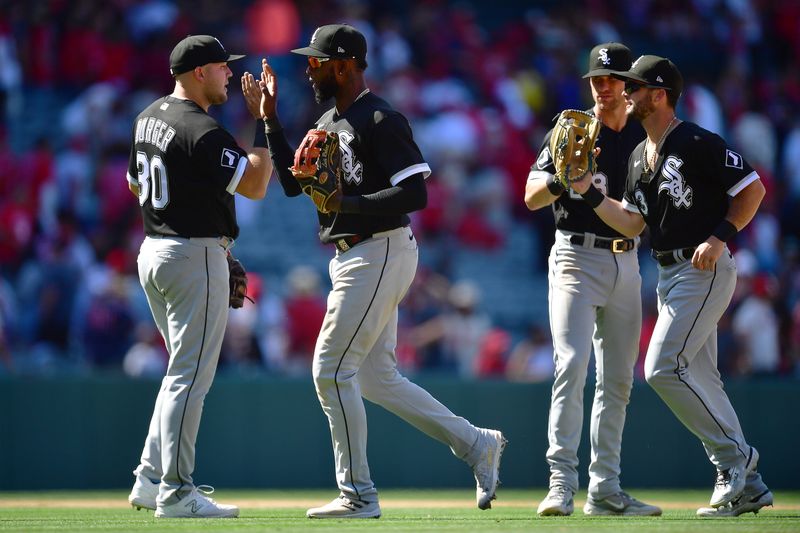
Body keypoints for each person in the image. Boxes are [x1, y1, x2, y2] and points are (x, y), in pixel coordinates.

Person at [261, 24, 506, 519]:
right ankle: (476, 443)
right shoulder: (329, 119)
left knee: (330, 370)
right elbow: (293, 186)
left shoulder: (380, 118)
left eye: (318, 60)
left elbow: (415, 193)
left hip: (380, 249)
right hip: (356, 254)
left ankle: (357, 494)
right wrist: (269, 121)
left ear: (345, 64)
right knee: (375, 379)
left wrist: (347, 204)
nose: (309, 67)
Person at [570, 55, 771, 517]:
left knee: (661, 368)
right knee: (701, 377)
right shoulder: (641, 154)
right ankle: (748, 486)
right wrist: (586, 188)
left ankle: (737, 460)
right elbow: (631, 223)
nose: (626, 94)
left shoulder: (696, 140)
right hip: (669, 273)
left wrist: (720, 238)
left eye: (635, 89)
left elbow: (752, 188)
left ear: (659, 94)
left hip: (703, 269)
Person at [125, 34, 274, 518]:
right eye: (222, 66)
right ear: (199, 73)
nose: (230, 73)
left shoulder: (148, 117)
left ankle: (150, 479)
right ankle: (176, 490)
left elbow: (134, 183)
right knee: (189, 379)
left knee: (178, 375)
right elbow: (255, 184)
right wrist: (265, 120)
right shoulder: (198, 128)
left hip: (154, 250)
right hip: (190, 255)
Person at [524, 43, 661, 517]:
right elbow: (531, 197)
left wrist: (586, 188)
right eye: (596, 80)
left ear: (629, 85)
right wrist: (565, 180)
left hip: (625, 262)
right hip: (574, 258)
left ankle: (605, 489)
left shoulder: (646, 143)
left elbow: (634, 224)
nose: (603, 87)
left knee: (619, 381)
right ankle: (561, 484)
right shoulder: (571, 129)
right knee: (571, 367)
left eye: (612, 79)